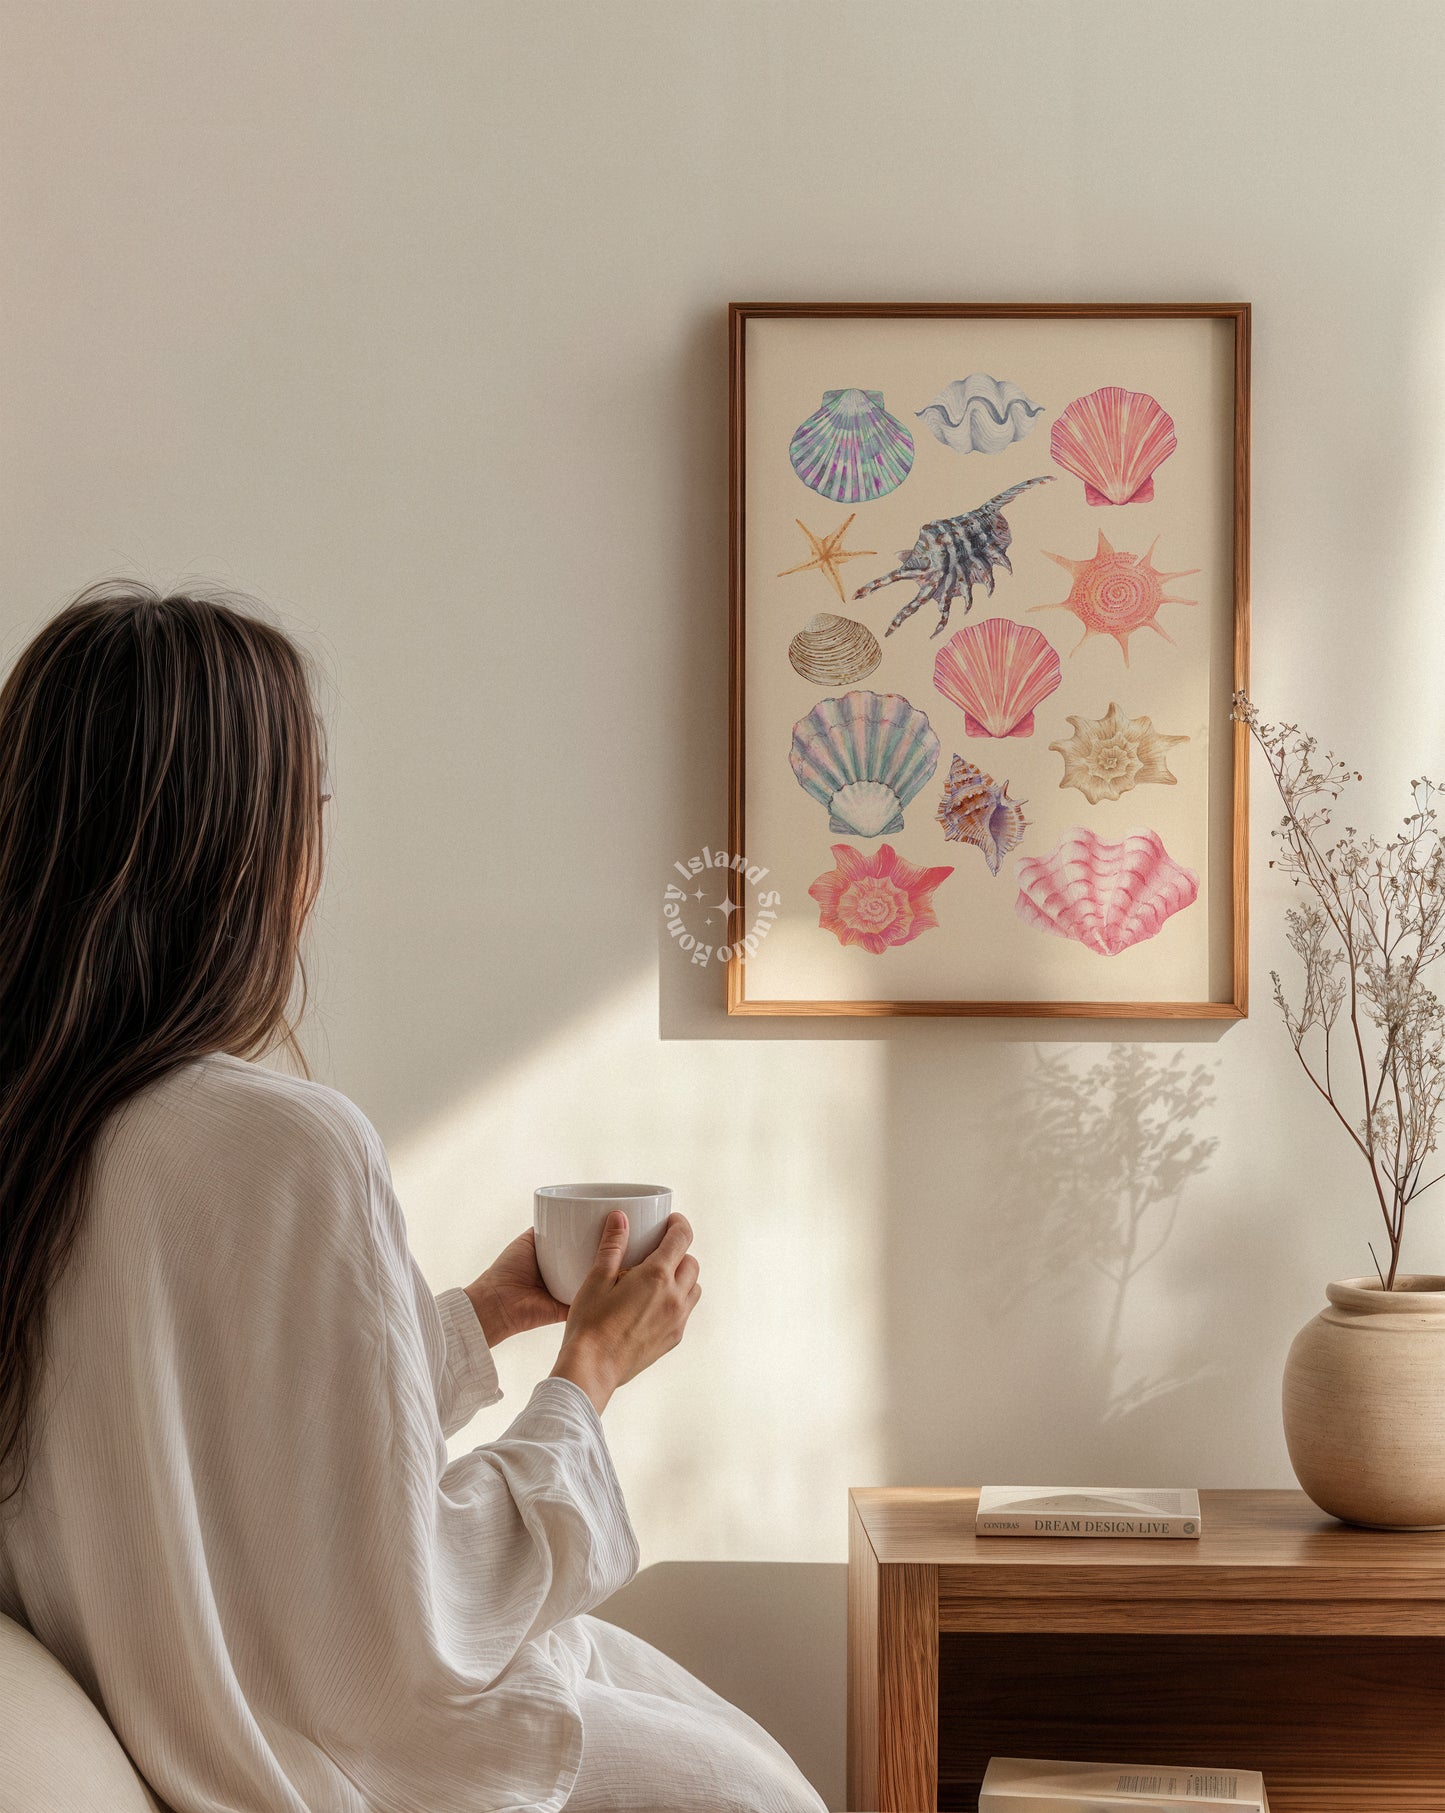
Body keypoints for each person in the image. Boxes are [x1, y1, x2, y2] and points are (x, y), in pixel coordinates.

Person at [0, 582, 826, 1813]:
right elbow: (397, 1632)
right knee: (754, 1789)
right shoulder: (285, 1141)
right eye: (310, 812)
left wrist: (471, 1324)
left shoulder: (40, 1124)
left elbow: (197, 1447)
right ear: (240, 849)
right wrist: (587, 1379)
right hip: (309, 1755)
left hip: (169, 1698)